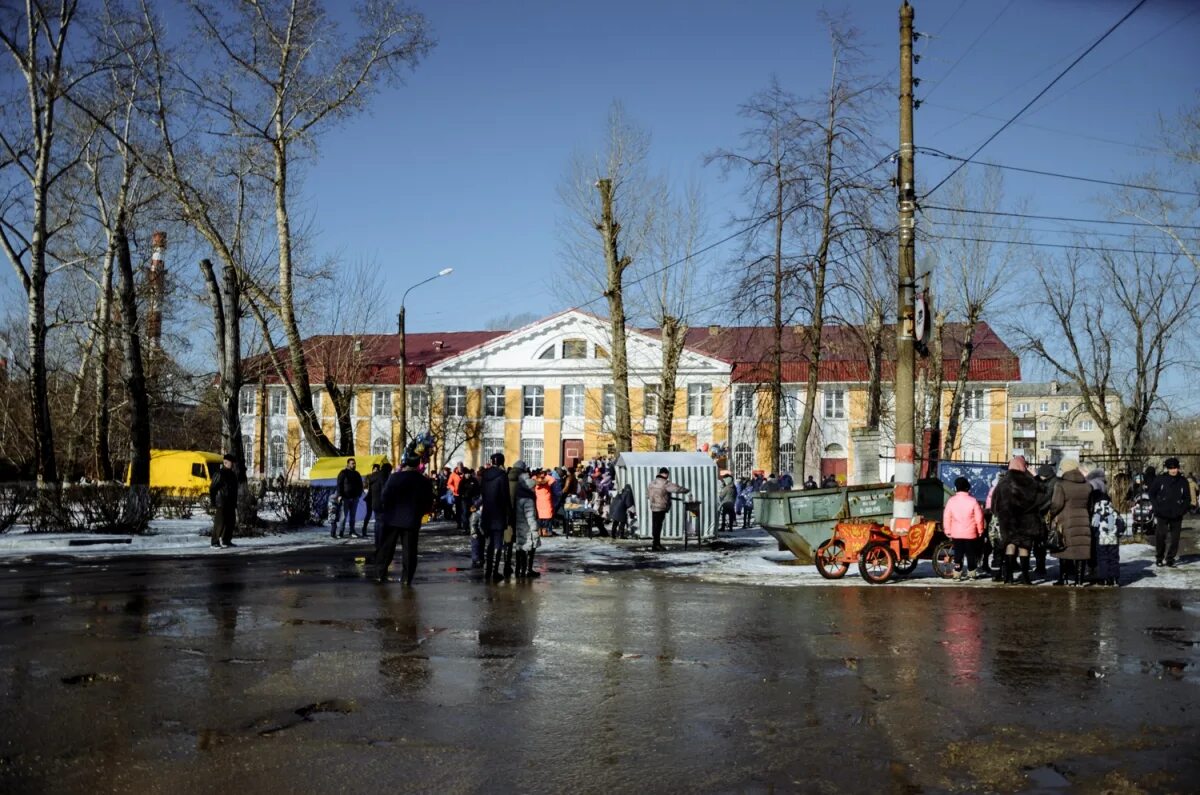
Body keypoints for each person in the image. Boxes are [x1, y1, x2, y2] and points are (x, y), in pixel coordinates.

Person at [377, 453, 433, 585]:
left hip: (392, 518)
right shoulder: (423, 481)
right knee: (409, 550)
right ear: (418, 464)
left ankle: (380, 573)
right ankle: (407, 578)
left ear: (405, 463)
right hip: (411, 519)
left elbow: (384, 496)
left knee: (387, 548)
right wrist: (421, 512)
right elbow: (428, 501)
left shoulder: (394, 477)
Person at [990, 456, 1041, 585]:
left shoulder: (1003, 482)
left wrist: (999, 513)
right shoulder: (1030, 482)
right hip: (1027, 519)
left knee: (1010, 544)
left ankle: (1009, 577)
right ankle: (1025, 577)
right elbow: (1041, 497)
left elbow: (994, 503)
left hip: (1008, 520)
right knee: (1025, 546)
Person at [1049, 459, 1093, 587]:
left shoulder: (1061, 485)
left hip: (1066, 520)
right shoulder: (1087, 486)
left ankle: (1063, 578)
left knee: (1064, 548)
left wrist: (1051, 514)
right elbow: (1090, 506)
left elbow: (1057, 504)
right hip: (1083, 519)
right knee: (1081, 549)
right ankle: (1079, 580)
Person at [1148, 457, 1191, 567]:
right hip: (1162, 513)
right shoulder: (1160, 479)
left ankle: (1170, 558)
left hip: (1177, 514)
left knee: (1175, 539)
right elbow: (1152, 494)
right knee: (1161, 536)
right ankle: (1159, 557)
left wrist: (1182, 510)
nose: (1173, 470)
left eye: (1175, 468)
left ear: (1178, 468)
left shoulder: (1183, 481)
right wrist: (1157, 507)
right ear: (1167, 469)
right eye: (1171, 468)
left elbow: (1187, 498)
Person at [479, 453, 512, 584]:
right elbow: (505, 496)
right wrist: (509, 512)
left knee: (489, 542)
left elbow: (482, 493)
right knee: (498, 543)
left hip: (487, 512)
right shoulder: (502, 476)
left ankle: (487, 570)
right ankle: (494, 571)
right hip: (498, 513)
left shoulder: (484, 475)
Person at [944, 476, 985, 580]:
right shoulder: (973, 501)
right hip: (970, 533)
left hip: (956, 533)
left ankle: (957, 573)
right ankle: (972, 573)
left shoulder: (951, 501)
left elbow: (947, 516)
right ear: (967, 488)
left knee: (958, 554)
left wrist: (947, 530)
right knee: (971, 554)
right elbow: (979, 518)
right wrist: (980, 530)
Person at [509, 460, 540, 578]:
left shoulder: (517, 494)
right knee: (530, 546)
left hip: (519, 524)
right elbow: (530, 515)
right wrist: (535, 528)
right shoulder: (528, 498)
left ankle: (518, 568)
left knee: (520, 546)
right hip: (527, 526)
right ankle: (528, 569)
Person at [647, 467, 689, 551]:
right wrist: (686, 490)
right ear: (665, 474)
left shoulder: (651, 483)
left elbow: (647, 495)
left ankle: (655, 543)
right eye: (667, 475)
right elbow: (676, 489)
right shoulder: (665, 483)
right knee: (658, 526)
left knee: (655, 526)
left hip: (653, 506)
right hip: (661, 507)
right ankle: (656, 545)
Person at [209, 453, 239, 549]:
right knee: (220, 523)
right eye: (231, 462)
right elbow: (213, 488)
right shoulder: (219, 473)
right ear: (225, 462)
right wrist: (213, 502)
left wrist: (235, 502)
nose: (233, 464)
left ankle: (226, 540)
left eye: (233, 463)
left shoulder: (232, 474)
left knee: (231, 522)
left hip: (230, 502)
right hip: (221, 502)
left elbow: (234, 489)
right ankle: (214, 542)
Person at [335, 458, 365, 538]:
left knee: (353, 516)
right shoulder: (343, 473)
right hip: (345, 498)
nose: (354, 465)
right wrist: (339, 495)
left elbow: (360, 485)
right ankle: (341, 532)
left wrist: (358, 494)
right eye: (352, 463)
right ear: (348, 464)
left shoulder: (357, 474)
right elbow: (339, 485)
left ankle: (352, 531)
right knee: (343, 516)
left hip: (355, 498)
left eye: (354, 463)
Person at [367, 461, 392, 552]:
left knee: (377, 523)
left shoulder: (374, 476)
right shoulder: (383, 476)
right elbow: (384, 490)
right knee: (381, 524)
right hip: (381, 503)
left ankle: (377, 542)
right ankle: (380, 543)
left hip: (374, 502)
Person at [534, 469, 556, 538]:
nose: (542, 475)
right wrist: (543, 481)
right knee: (542, 516)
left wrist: (544, 479)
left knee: (546, 516)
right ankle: (541, 530)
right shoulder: (535, 478)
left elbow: (553, 480)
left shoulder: (546, 478)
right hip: (541, 500)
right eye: (541, 473)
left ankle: (543, 530)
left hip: (545, 500)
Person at [362, 463, 381, 533]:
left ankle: (377, 530)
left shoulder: (379, 477)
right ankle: (364, 529)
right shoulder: (369, 476)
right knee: (369, 514)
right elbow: (365, 485)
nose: (375, 470)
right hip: (370, 497)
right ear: (372, 469)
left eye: (377, 469)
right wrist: (366, 491)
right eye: (374, 469)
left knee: (377, 514)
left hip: (376, 498)